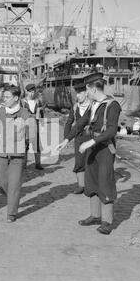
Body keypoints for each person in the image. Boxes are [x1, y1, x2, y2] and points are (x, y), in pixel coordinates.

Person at [57, 72, 121, 235]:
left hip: (105, 148)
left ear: (93, 88)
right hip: (92, 147)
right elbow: (81, 123)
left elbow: (112, 130)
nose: (87, 92)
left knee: (105, 182)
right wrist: (67, 139)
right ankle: (95, 215)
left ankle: (107, 221)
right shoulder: (93, 104)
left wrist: (91, 142)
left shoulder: (112, 105)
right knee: (91, 180)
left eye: (87, 88)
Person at [0, 85, 37, 223]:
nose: (4, 99)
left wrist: (24, 142)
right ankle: (13, 197)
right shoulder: (1, 112)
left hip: (17, 156)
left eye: (7, 97)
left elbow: (32, 133)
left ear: (16, 98)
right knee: (3, 183)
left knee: (14, 184)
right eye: (4, 97)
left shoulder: (25, 113)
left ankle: (11, 213)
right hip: (1, 153)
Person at [57, 81, 91, 194]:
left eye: (80, 93)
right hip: (79, 138)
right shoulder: (75, 107)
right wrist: (66, 138)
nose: (78, 96)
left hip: (91, 138)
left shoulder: (93, 106)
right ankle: (81, 186)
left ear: (86, 93)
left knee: (90, 161)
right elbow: (69, 122)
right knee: (80, 162)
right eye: (77, 93)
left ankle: (90, 185)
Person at [21, 83, 44, 170]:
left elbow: (41, 114)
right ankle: (24, 164)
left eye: (33, 92)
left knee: (37, 144)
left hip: (36, 124)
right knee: (25, 144)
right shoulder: (22, 102)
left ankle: (38, 163)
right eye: (30, 92)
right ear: (27, 92)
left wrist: (42, 124)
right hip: (26, 125)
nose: (32, 93)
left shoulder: (38, 101)